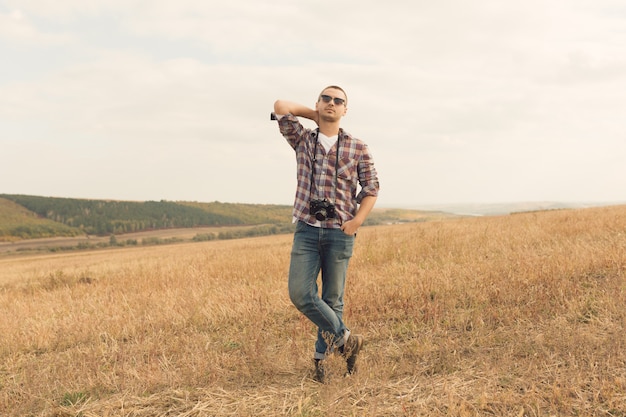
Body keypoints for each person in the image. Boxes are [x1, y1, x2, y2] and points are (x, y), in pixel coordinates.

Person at [271, 85, 380, 382]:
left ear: (346, 109)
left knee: (333, 299)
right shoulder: (303, 139)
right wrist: (317, 116)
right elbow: (281, 106)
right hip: (307, 229)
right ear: (318, 103)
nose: (332, 103)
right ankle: (347, 339)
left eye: (338, 101)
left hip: (340, 232)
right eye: (326, 99)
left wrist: (357, 221)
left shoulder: (357, 147)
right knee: (300, 293)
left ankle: (321, 362)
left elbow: (371, 188)